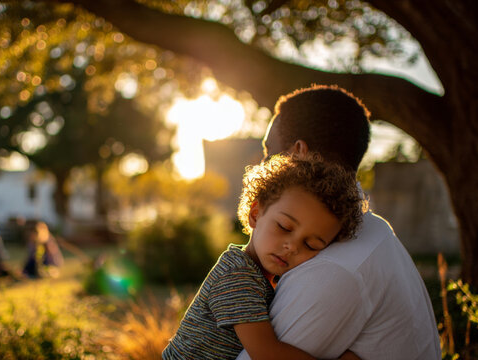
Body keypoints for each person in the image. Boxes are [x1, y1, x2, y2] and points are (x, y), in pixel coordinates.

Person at [237, 85, 441, 360]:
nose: (263, 164)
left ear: (298, 153)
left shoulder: (334, 266)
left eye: (269, 152)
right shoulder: (375, 231)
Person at [163, 153, 365, 359]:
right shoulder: (236, 275)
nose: (292, 247)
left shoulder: (267, 280)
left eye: (310, 245)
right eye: (284, 227)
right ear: (255, 214)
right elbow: (266, 353)